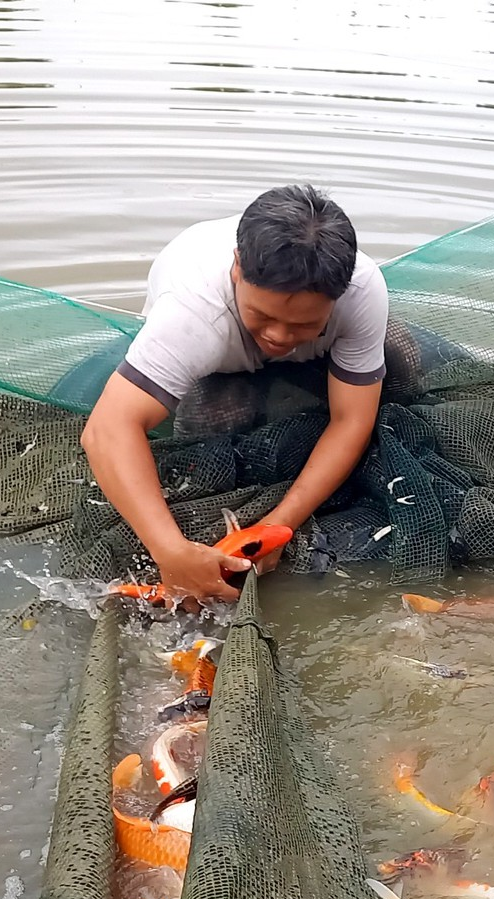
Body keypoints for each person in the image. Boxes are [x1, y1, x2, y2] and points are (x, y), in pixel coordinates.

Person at [81, 185, 389, 603]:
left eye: (301, 324)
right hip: (218, 357)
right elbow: (107, 430)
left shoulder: (363, 291)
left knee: (401, 356)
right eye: (263, 315)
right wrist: (170, 551)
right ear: (237, 269)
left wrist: (281, 523)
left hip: (314, 355)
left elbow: (351, 420)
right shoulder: (193, 313)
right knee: (217, 421)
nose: (279, 337)